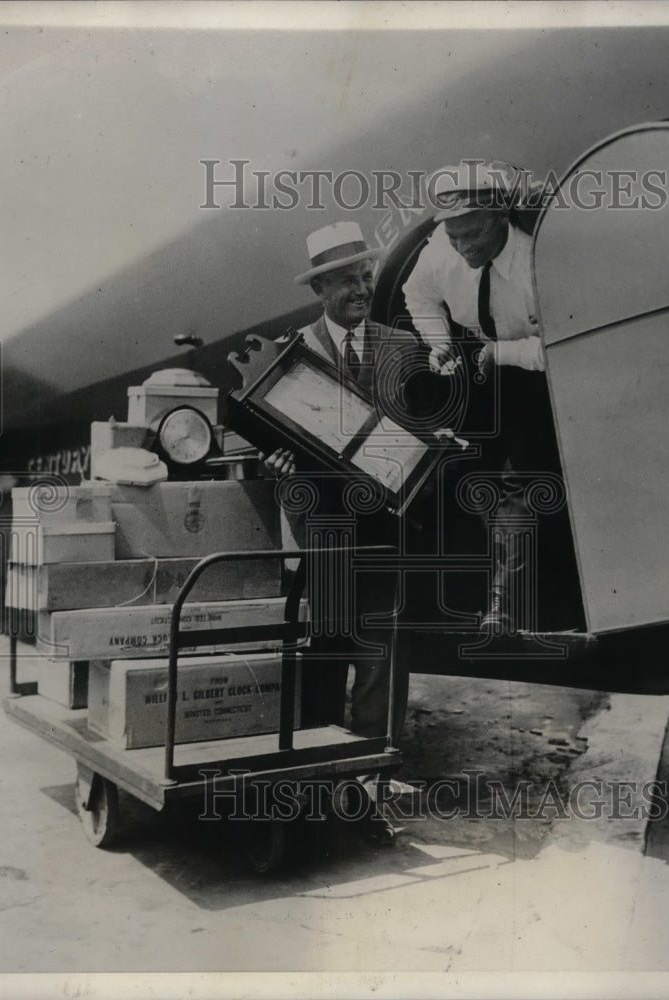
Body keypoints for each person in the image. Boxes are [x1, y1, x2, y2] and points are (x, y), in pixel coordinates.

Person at [265, 221, 426, 836]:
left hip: (385, 529)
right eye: (348, 280)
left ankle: (368, 788)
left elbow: (417, 430)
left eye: (366, 276)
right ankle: (317, 784)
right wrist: (276, 463)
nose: (362, 288)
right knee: (327, 653)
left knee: (382, 657)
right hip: (324, 533)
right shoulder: (291, 354)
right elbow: (270, 445)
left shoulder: (401, 348)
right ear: (321, 288)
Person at [402, 160, 564, 632]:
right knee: (467, 477)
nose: (463, 247)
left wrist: (502, 352)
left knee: (519, 485)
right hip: (480, 368)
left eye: (473, 234)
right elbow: (418, 296)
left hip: (537, 375)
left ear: (501, 218)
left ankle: (506, 610)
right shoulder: (441, 247)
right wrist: (439, 344)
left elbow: (560, 347)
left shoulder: (538, 258)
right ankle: (467, 603)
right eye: (455, 236)